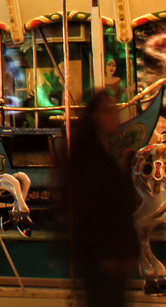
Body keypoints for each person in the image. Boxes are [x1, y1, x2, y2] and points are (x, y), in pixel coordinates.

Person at [64, 90, 139, 307]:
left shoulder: (99, 150)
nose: (116, 117)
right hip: (104, 255)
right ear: (96, 116)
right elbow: (94, 207)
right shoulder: (90, 157)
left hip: (108, 252)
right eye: (109, 112)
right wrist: (108, 253)